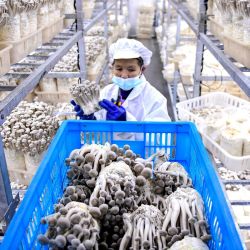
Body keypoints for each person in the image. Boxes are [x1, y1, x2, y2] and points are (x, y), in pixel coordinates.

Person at [71, 38, 171, 122]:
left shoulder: (155, 100)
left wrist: (127, 121)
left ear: (142, 69)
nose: (124, 75)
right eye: (119, 69)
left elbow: (158, 140)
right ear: (112, 68)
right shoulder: (106, 92)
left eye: (131, 70)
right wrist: (91, 119)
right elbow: (99, 130)